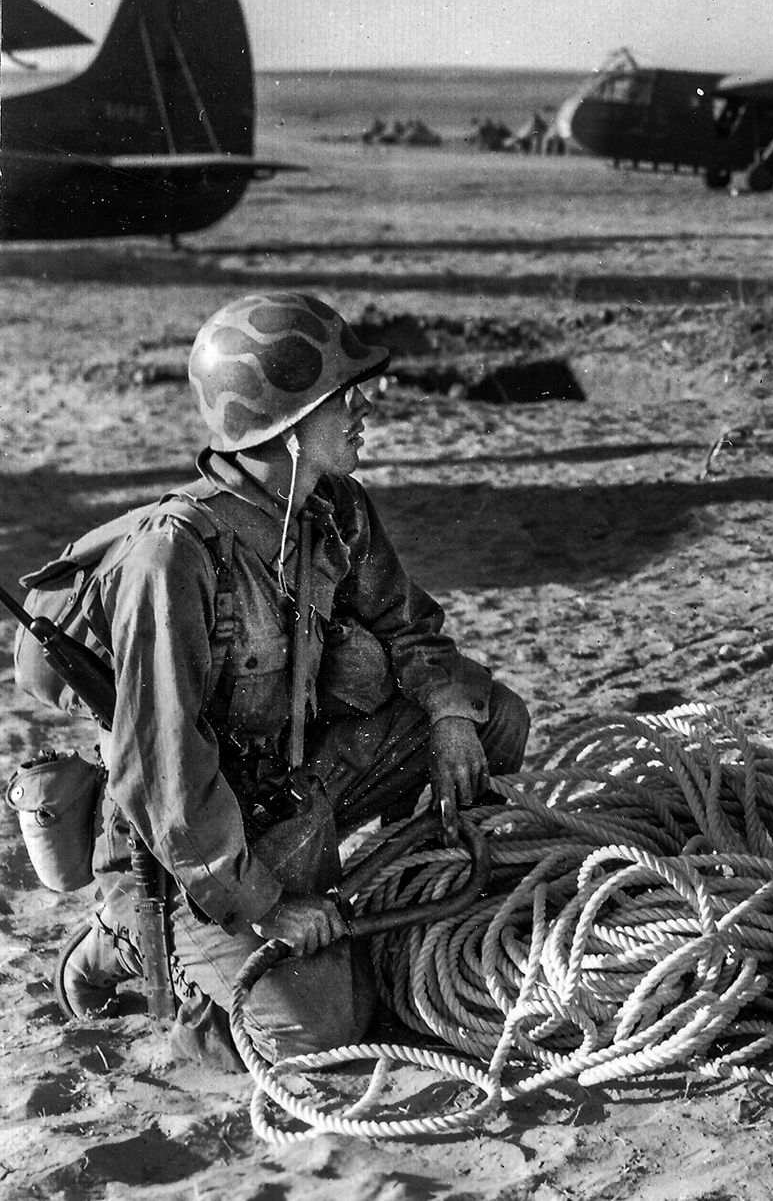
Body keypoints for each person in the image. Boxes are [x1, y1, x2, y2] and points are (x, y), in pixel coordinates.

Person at [24, 291, 530, 1066]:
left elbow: (410, 627)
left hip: (298, 782)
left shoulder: (336, 508)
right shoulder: (173, 559)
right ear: (282, 427)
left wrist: (449, 716)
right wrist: (263, 905)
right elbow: (164, 770)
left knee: (490, 716)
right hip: (196, 837)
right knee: (317, 1031)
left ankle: (412, 900)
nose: (363, 407)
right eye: (341, 396)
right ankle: (128, 940)